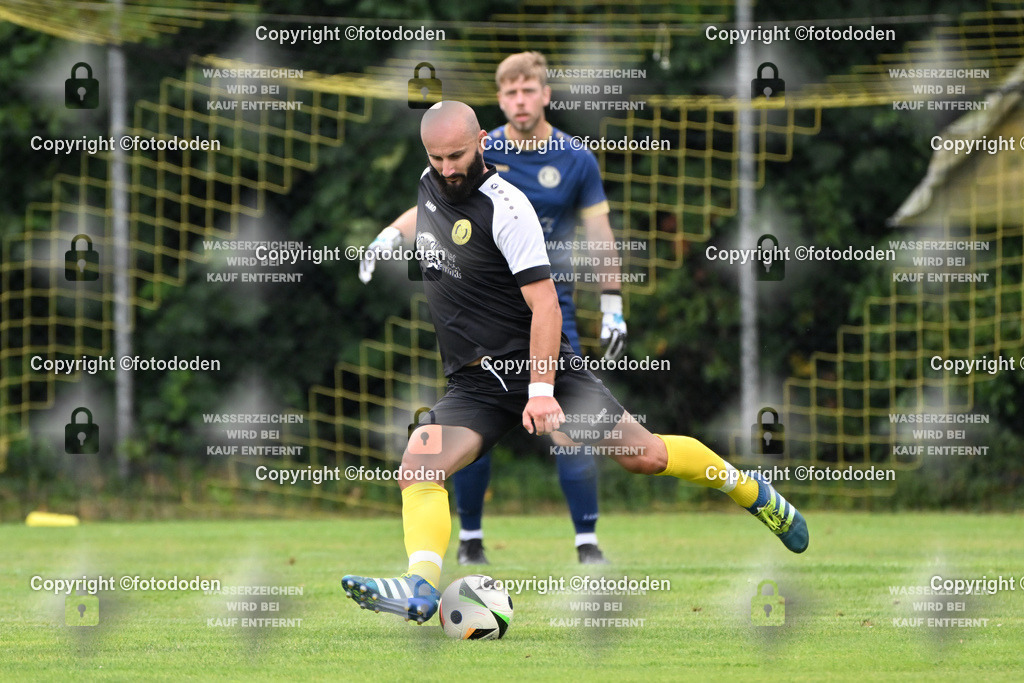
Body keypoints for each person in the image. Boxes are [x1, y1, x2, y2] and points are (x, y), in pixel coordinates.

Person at [342, 101, 808, 625]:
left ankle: (751, 491)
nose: (448, 169)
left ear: (482, 144)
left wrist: (541, 389)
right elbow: (426, 208)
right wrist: (389, 235)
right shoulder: (432, 181)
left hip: (546, 370)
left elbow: (544, 305)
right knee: (419, 465)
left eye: (458, 156)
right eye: (437, 158)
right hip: (475, 383)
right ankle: (419, 587)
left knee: (646, 457)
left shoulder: (508, 209)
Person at [360, 52, 623, 565]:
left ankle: (586, 543)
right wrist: (391, 233)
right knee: (472, 419)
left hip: (549, 306)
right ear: (498, 103)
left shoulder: (575, 158)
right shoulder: (470, 149)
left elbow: (600, 236)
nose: (520, 102)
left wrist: (612, 302)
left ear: (545, 95)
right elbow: (434, 204)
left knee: (570, 428)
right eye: (509, 93)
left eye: (529, 91)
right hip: (486, 308)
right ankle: (470, 538)